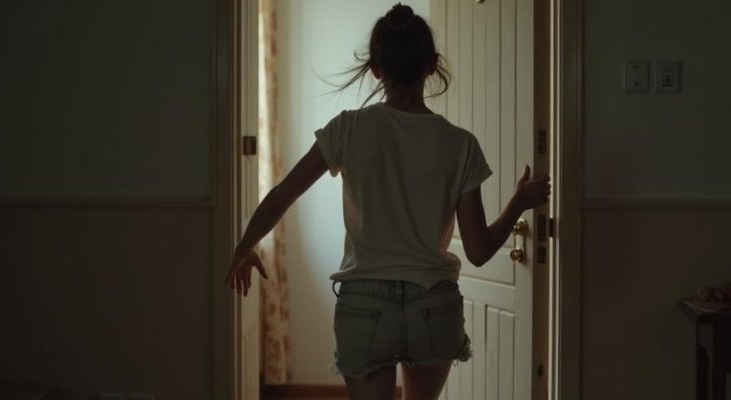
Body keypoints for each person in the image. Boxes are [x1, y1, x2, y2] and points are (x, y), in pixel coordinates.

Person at [224, 3, 550, 399]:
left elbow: (281, 196)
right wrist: (518, 202)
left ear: (376, 69)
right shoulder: (460, 144)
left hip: (365, 305)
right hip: (433, 304)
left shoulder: (347, 128)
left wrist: (245, 246)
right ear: (432, 65)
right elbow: (479, 251)